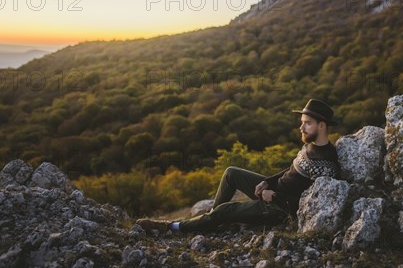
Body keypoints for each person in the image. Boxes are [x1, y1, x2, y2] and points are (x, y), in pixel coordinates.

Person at [136, 99, 342, 233]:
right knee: (231, 173)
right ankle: (211, 222)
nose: (301, 126)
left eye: (307, 123)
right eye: (302, 121)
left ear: (321, 126)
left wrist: (275, 196)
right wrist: (265, 182)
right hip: (272, 192)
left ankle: (172, 227)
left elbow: (312, 203)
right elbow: (290, 171)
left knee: (227, 209)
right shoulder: (309, 146)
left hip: (278, 208)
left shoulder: (328, 163)